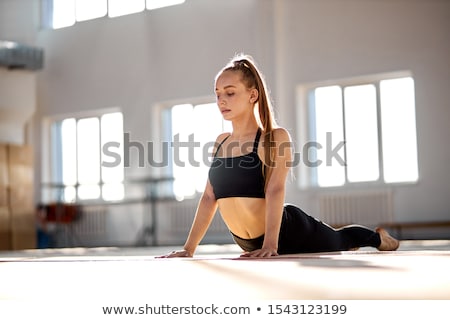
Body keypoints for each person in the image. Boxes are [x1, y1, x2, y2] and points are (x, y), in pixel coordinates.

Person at [159, 54, 399, 258]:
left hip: (288, 231)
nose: (221, 99)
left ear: (253, 95)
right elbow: (209, 197)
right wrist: (188, 249)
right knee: (336, 240)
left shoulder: (274, 138)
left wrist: (270, 245)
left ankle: (378, 238)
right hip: (249, 242)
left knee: (339, 240)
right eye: (218, 93)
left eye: (230, 93)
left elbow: (275, 190)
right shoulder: (221, 142)